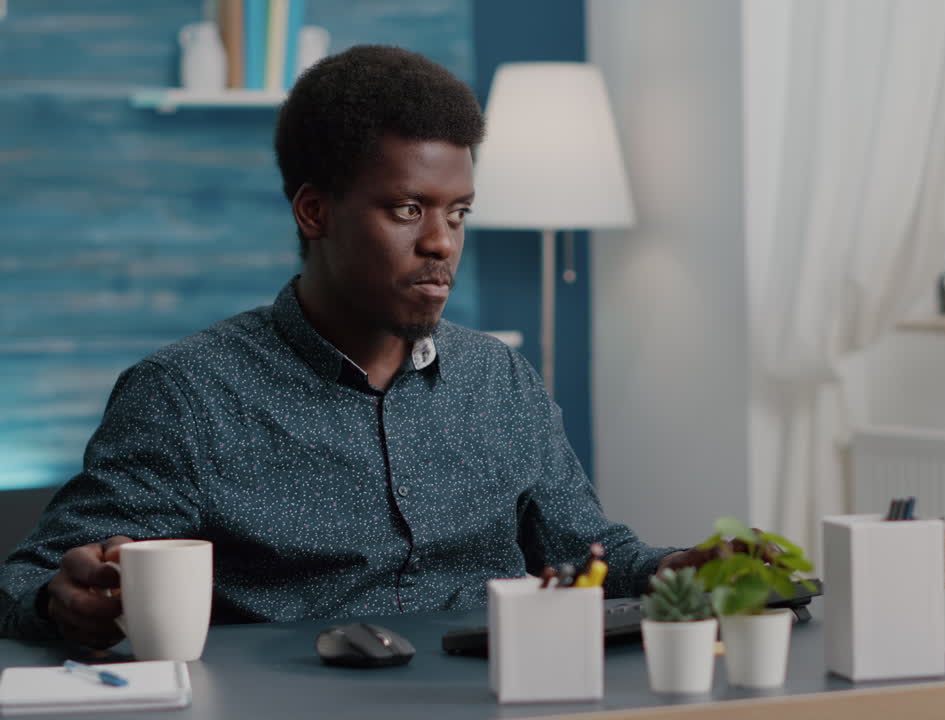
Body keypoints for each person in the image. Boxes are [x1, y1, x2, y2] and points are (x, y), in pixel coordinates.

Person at [0, 45, 701, 648]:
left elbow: (593, 554)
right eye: (408, 209)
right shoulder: (187, 396)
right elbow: (27, 581)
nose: (441, 243)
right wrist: (61, 599)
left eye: (458, 213)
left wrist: (687, 570)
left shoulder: (501, 380)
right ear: (315, 211)